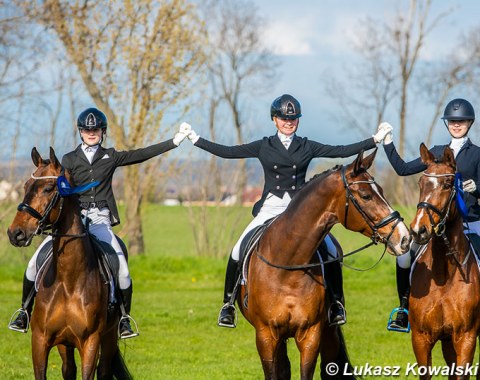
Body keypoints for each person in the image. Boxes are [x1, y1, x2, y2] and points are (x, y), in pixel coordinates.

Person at [181, 94, 392, 328]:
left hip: (299, 208)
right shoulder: (264, 146)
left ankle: (336, 304)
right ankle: (228, 304)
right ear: (274, 120)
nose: (288, 122)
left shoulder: (306, 145)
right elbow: (229, 152)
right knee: (237, 250)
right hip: (270, 207)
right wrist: (196, 139)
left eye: (293, 119)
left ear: (298, 121)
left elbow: (340, 150)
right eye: (284, 118)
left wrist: (374, 140)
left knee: (332, 251)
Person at [8, 107, 190, 338]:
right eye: (87, 129)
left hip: (99, 219)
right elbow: (56, 187)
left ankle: (124, 318)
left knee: (122, 269)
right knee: (34, 263)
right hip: (74, 217)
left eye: (95, 129)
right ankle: (24, 311)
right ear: (81, 132)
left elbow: (141, 154)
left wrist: (174, 142)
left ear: (102, 132)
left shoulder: (111, 156)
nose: (91, 133)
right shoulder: (69, 159)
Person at [378, 98, 480, 331]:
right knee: (403, 256)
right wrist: (388, 143)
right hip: (438, 226)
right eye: (452, 121)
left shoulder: (477, 154)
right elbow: (403, 169)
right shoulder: (434, 153)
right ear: (447, 124)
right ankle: (403, 310)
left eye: (461, 121)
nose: (456, 125)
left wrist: (478, 187)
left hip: (472, 222)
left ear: (469, 123)